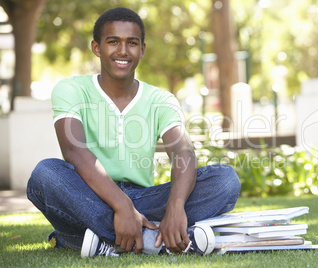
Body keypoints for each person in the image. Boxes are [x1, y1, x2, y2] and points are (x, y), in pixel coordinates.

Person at [27, 7, 240, 257]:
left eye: (131, 43)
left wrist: (175, 205)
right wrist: (122, 206)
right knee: (45, 174)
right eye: (113, 42)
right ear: (97, 48)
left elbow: (183, 150)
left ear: (142, 49)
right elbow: (75, 152)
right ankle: (152, 240)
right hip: (89, 195)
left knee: (225, 180)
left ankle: (92, 239)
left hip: (147, 201)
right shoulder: (72, 89)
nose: (122, 51)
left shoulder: (160, 99)